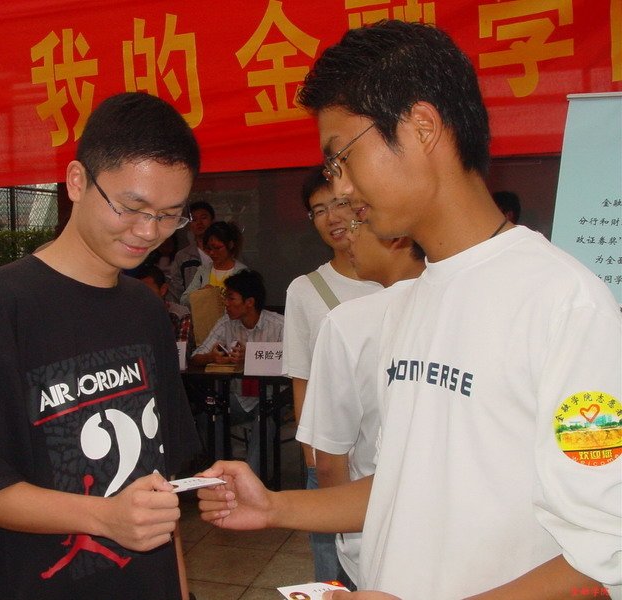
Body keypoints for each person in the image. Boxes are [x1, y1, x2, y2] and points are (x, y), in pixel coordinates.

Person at [198, 20, 620, 600]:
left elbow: (602, 559)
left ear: (422, 127)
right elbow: (403, 487)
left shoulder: (565, 306)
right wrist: (274, 506)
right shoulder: (404, 306)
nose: (342, 191)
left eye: (342, 159)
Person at [0, 92, 202, 600]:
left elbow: (159, 482)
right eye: (131, 208)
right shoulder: (3, 306)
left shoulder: (146, 311)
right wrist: (105, 516)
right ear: (77, 181)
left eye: (170, 215)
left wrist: (179, 590)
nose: (149, 232)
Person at [296, 219, 425, 588]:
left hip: (367, 540)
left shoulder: (348, 322)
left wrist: (344, 533)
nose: (347, 238)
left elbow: (329, 461)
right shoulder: (468, 308)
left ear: (398, 235)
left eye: (359, 223)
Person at [283, 167, 381, 585]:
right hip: (330, 457)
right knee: (331, 574)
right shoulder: (304, 290)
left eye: (339, 203)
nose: (332, 217)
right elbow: (301, 378)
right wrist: (312, 457)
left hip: (388, 454)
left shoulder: (399, 276)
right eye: (319, 210)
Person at [190, 270, 283, 476]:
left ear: (249, 302)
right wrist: (212, 357)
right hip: (239, 397)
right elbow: (196, 356)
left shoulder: (278, 325)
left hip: (271, 398)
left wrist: (250, 357)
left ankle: (249, 479)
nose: (226, 303)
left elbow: (294, 361)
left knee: (265, 419)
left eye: (231, 298)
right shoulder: (226, 323)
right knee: (209, 415)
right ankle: (221, 475)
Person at [180, 221, 247, 306]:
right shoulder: (203, 270)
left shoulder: (242, 273)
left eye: (217, 248)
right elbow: (184, 300)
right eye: (208, 248)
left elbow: (247, 305)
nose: (211, 253)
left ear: (230, 245)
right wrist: (201, 294)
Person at [167, 201, 215, 303]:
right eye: (194, 219)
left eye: (204, 217)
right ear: (189, 225)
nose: (199, 223)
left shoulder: (224, 251)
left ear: (212, 221)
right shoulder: (183, 256)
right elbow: (176, 290)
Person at [134, 264, 193, 345]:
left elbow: (182, 349)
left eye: (148, 291)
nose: (142, 297)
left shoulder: (180, 315)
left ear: (163, 290)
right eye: (139, 292)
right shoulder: (133, 315)